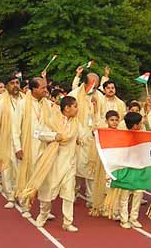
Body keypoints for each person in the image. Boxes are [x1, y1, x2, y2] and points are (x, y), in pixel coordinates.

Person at [34, 96, 80, 232]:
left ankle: (67, 222)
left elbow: (85, 135)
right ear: (67, 108)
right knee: (48, 191)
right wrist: (54, 136)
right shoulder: (52, 120)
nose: (77, 109)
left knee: (69, 193)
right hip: (54, 162)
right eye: (75, 106)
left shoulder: (76, 122)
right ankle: (43, 215)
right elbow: (39, 134)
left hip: (70, 163)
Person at [13, 77, 53, 218]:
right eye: (42, 88)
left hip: (45, 147)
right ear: (34, 89)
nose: (45, 90)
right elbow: (15, 127)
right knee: (27, 177)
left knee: (45, 178)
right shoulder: (23, 104)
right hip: (28, 146)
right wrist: (17, 147)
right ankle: (25, 206)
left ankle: (45, 210)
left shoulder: (48, 104)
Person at [0, 76, 23, 208]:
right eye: (12, 83)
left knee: (19, 169)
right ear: (7, 86)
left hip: (21, 140)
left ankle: (19, 193)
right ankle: (10, 197)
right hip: (5, 140)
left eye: (17, 83)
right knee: (6, 169)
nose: (15, 85)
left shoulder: (24, 100)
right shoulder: (0, 101)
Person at [67, 72, 101, 207]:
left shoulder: (99, 96)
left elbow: (102, 116)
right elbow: (67, 116)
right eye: (93, 84)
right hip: (76, 139)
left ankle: (91, 198)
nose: (95, 88)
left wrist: (96, 108)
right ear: (85, 83)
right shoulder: (74, 95)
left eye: (97, 85)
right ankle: (72, 193)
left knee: (91, 169)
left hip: (92, 139)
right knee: (74, 169)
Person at [118, 112, 145, 229]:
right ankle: (124, 219)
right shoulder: (122, 137)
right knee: (124, 195)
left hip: (138, 169)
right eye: (140, 123)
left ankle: (134, 218)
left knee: (138, 193)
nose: (142, 125)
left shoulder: (143, 136)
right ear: (135, 125)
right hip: (126, 170)